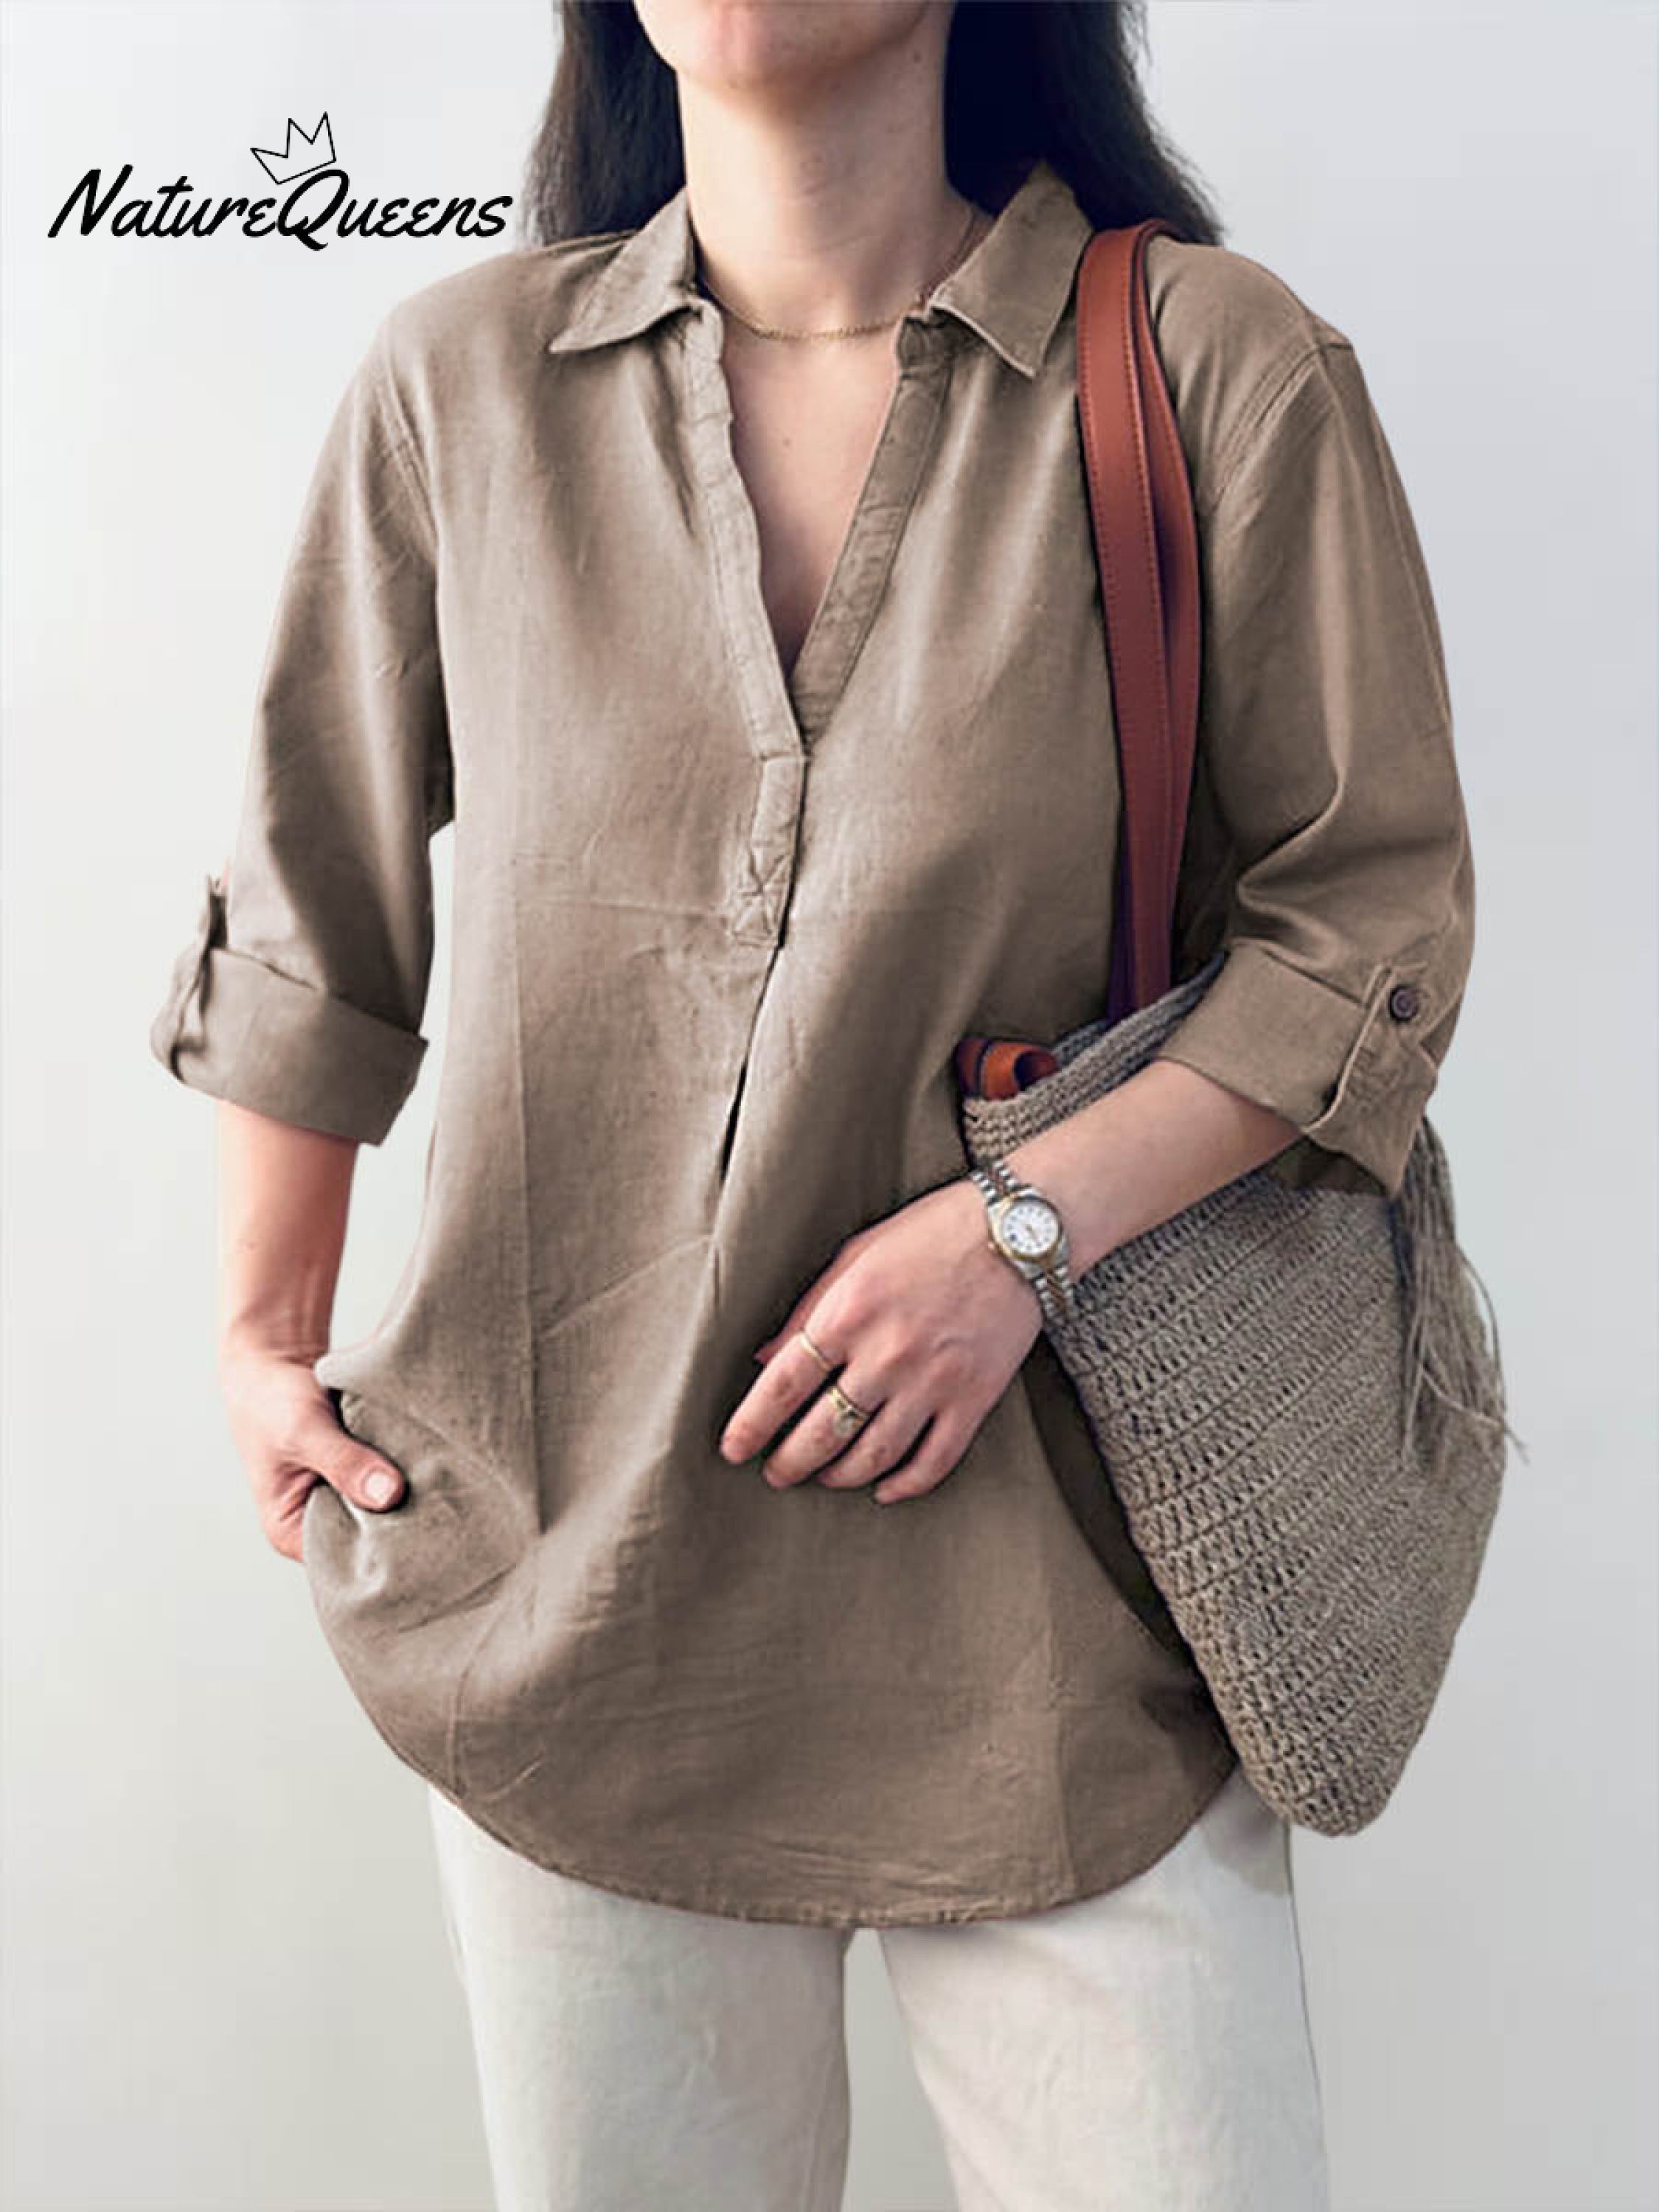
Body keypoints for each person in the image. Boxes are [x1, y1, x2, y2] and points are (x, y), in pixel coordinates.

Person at [149, 1, 1478, 2205]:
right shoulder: (461, 385)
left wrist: (1017, 1236)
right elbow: (314, 905)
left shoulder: (1209, 369)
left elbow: (1366, 925)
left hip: (1067, 1623)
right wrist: (260, 1336)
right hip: (568, 1599)